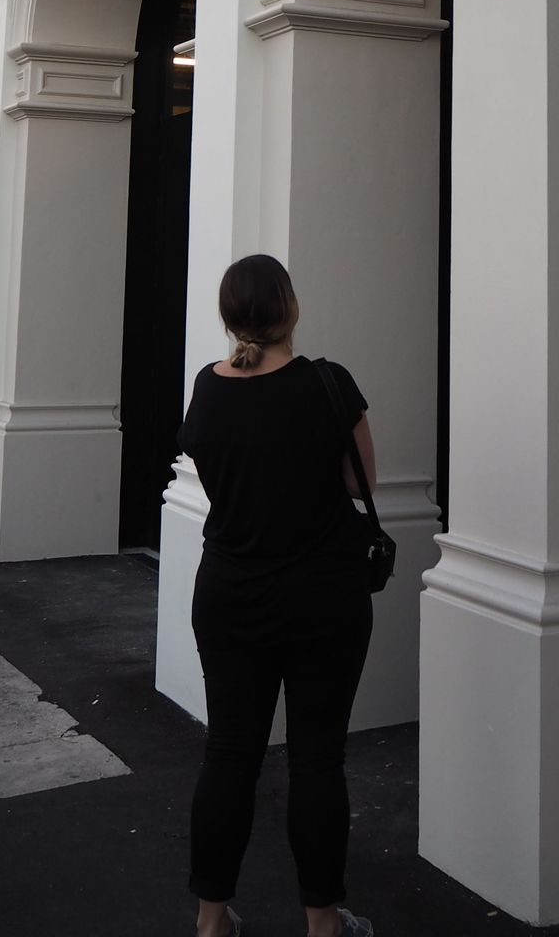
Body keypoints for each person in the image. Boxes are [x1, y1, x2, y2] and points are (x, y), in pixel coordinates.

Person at [179, 253, 377, 937]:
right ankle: (323, 926)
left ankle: (211, 923)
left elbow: (220, 476)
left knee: (229, 752)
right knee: (318, 756)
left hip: (231, 592)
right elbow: (360, 486)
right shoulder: (328, 384)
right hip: (324, 594)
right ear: (291, 308)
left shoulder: (207, 388)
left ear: (230, 316)